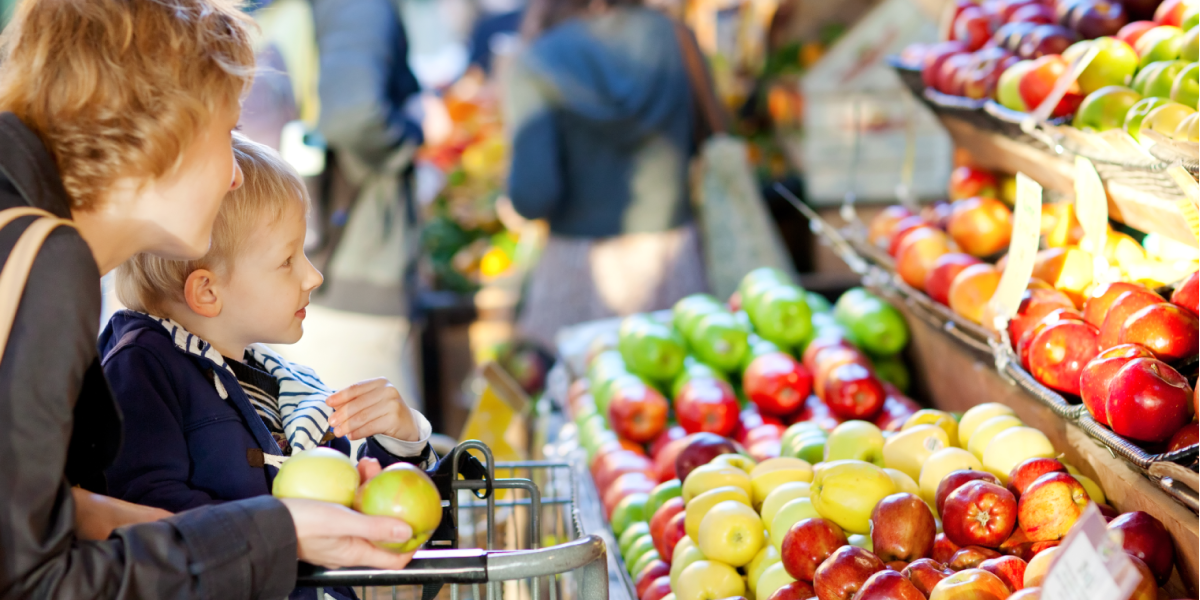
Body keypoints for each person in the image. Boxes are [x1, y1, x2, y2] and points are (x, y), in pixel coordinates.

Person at [0, 1, 417, 598]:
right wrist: (276, 530)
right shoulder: (45, 260)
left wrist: (281, 534)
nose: (235, 176)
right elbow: (36, 581)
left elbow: (49, 515)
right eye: (226, 133)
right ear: (156, 131)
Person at [100, 135, 437, 599]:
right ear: (208, 291)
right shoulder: (142, 370)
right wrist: (282, 528)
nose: (313, 276)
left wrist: (401, 443)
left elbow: (370, 531)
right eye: (287, 259)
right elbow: (151, 521)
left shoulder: (287, 384)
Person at [505, 0, 709, 347]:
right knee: (683, 385)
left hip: (579, 269)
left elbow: (533, 194)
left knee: (580, 390)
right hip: (672, 259)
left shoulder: (537, 58)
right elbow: (706, 137)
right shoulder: (673, 36)